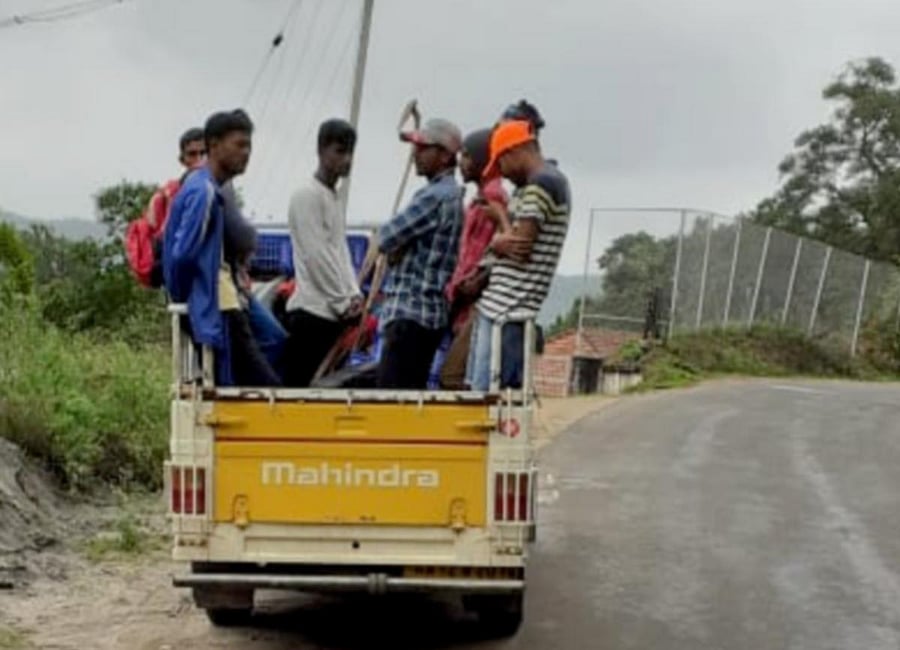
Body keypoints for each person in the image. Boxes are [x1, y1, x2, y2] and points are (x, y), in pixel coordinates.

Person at [163, 109, 281, 387]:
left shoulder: (210, 189)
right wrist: (193, 301)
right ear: (214, 145)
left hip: (222, 302)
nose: (246, 152)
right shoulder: (203, 191)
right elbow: (182, 256)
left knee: (242, 377)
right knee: (259, 387)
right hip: (218, 304)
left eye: (249, 145)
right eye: (239, 144)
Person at [467, 119, 571, 392]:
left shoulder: (542, 184)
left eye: (501, 164)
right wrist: (503, 231)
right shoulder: (535, 185)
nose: (503, 174)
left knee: (495, 403)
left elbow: (520, 248)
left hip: (510, 311)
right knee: (482, 398)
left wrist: (499, 234)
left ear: (514, 152)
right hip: (500, 308)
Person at [375, 118, 464, 389]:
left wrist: (394, 248)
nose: (416, 154)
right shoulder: (450, 196)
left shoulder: (434, 197)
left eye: (423, 148)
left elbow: (386, 237)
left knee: (392, 403)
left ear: (445, 155)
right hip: (428, 317)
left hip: (410, 315)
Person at [283, 118, 363, 387]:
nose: (347, 159)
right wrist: (342, 302)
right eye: (340, 151)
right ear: (321, 150)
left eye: (350, 152)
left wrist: (354, 295)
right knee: (300, 394)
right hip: (311, 313)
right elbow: (316, 256)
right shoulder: (306, 196)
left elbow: (340, 252)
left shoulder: (333, 197)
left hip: (332, 315)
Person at [439, 128, 509, 389]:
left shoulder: (492, 198)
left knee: (453, 376)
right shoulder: (479, 197)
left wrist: (463, 287)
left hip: (476, 303)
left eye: (467, 156)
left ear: (483, 159)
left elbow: (482, 256)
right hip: (466, 302)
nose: (461, 162)